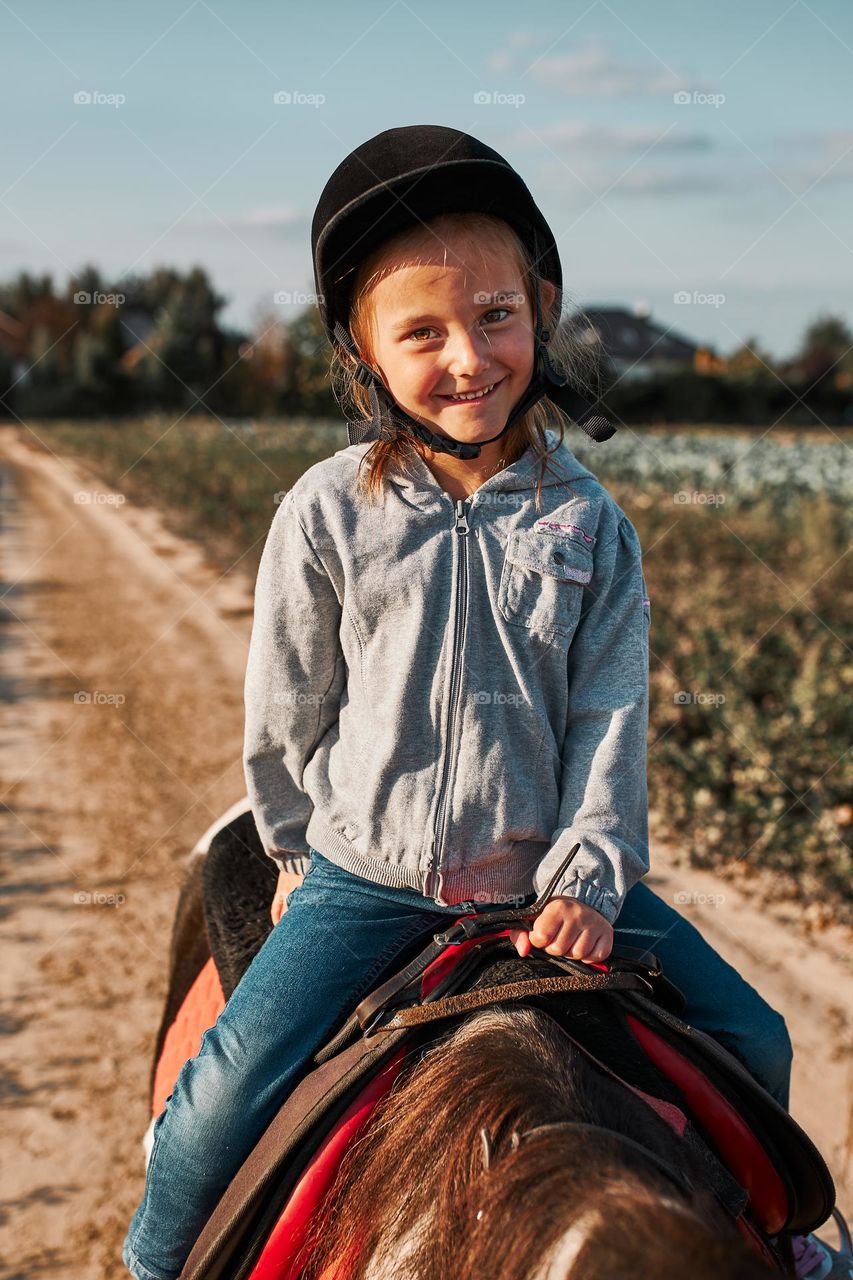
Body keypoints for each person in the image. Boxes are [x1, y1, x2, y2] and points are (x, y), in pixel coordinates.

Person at [123, 125, 811, 1280]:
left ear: (540, 308)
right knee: (219, 1092)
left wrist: (590, 875)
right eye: (422, 332)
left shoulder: (588, 523)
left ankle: (781, 1247)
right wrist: (295, 852)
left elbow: (606, 717)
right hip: (369, 880)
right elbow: (288, 703)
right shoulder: (324, 511)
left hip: (543, 879)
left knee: (757, 1033)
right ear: (363, 351)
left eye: (495, 315)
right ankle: (149, 1264)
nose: (468, 357)